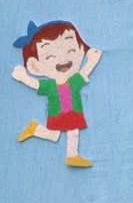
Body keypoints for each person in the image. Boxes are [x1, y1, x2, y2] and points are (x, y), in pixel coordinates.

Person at [12, 20, 102, 167]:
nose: (63, 59)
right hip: (57, 113)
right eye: (49, 57)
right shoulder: (50, 86)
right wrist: (23, 77)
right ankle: (35, 129)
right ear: (36, 66)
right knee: (54, 135)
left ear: (80, 50)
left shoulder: (73, 81)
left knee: (73, 131)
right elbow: (36, 84)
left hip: (73, 112)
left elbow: (84, 72)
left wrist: (92, 60)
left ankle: (72, 155)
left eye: (71, 51)